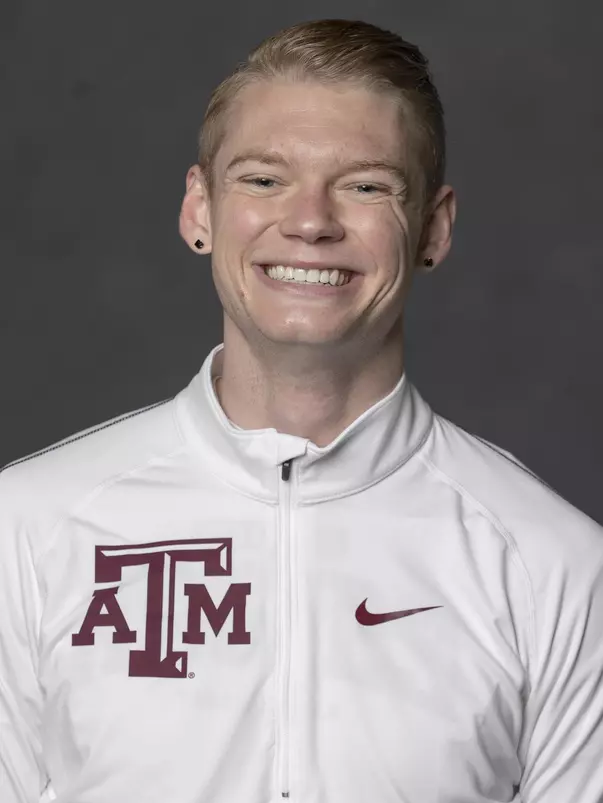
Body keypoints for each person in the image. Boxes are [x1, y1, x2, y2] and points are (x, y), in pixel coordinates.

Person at [1, 17, 602, 803]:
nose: (310, 221)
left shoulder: (553, 563)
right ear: (199, 209)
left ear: (432, 226)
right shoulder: (27, 527)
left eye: (365, 185)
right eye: (262, 178)